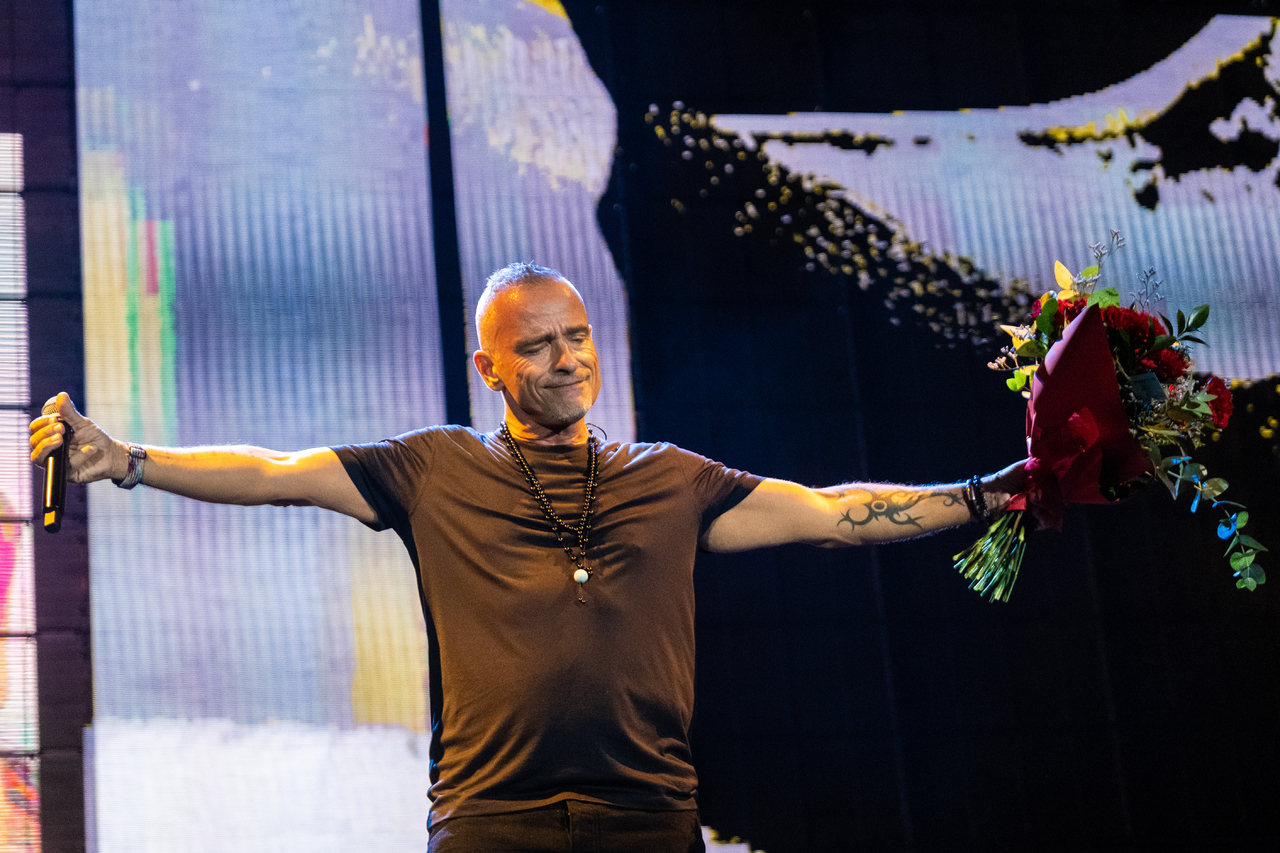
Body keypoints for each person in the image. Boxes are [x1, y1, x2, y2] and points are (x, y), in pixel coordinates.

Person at [30, 262, 1025, 852]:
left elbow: (832, 511)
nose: (566, 360)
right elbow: (275, 470)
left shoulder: (668, 477)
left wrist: (993, 491)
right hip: (490, 820)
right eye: (538, 345)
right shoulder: (433, 468)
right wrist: (127, 459)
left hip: (646, 818)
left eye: (577, 337)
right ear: (490, 367)